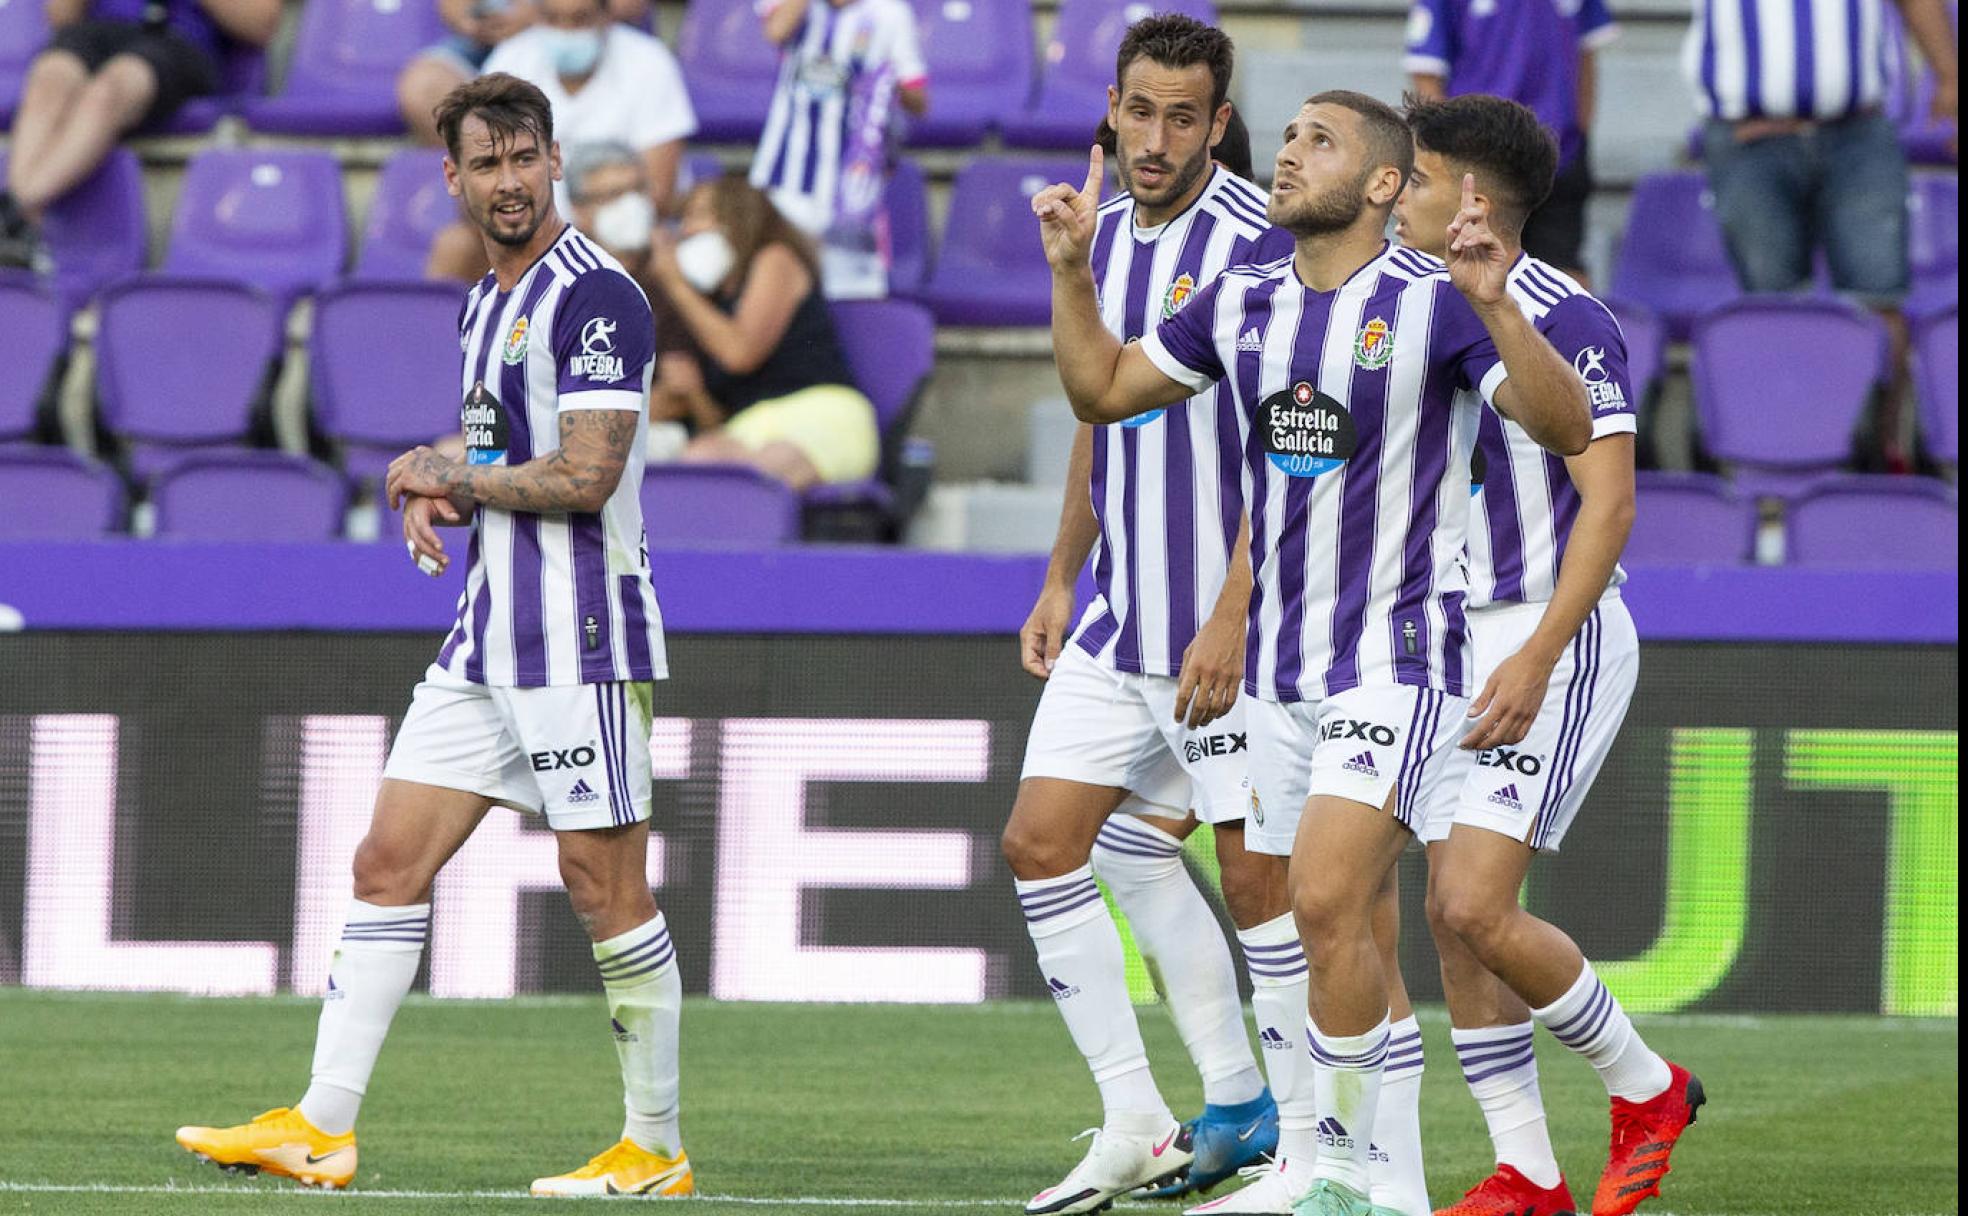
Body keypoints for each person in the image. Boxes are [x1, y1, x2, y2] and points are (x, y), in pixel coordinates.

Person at [1035, 90, 1593, 1216]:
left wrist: (1498, 310)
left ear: (1385, 185)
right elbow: (1099, 390)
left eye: (1319, 142)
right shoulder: (1238, 304)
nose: (1288, 156)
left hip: (1396, 660)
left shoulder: (1433, 304)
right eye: (1287, 138)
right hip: (1279, 678)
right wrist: (1074, 275)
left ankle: (1329, 1168)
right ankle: (1367, 1177)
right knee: (1331, 927)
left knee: (1329, 900)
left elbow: (1566, 427)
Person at [174, 73, 694, 1200]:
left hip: (578, 637)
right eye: (484, 164)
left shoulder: (599, 299)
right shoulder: (484, 301)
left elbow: (589, 475)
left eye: (524, 159)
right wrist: (438, 480)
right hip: (485, 639)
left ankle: (654, 1145)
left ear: (554, 160)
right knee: (385, 861)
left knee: (604, 888)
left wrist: (451, 472)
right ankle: (320, 1126)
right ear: (450, 177)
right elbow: (506, 451)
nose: (507, 182)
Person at [1004, 23, 1302, 1215]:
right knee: (1046, 845)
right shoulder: (1098, 230)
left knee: (1258, 883)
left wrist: (1230, 610)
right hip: (1122, 616)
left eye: (1186, 117)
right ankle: (1151, 1111)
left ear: (1219, 124)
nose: (1159, 138)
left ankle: (1301, 1140)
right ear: (1114, 110)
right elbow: (1095, 406)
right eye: (1141, 111)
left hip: (1233, 629)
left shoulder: (1261, 249)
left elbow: (1289, 447)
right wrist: (1059, 574)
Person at [1392, 94, 1702, 1216]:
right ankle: (1527, 1170)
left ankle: (1647, 1086)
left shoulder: (1570, 319)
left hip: (1549, 633)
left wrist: (1535, 658)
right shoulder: (1415, 304)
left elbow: (1609, 509)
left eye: (1417, 179)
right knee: (1447, 912)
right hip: (1453, 638)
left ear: (1473, 200)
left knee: (1475, 905)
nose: (1399, 195)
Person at [1687, 0, 1957, 470]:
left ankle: (1879, 454)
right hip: (1748, 136)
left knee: (1878, 296)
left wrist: (1949, 74)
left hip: (1859, 131)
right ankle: (1779, 451)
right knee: (1768, 307)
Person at [424, 0, 695, 283]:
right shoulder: (512, 58)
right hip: (526, 229)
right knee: (456, 245)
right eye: (553, 19)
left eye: (580, 19)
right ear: (535, 15)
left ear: (606, 15)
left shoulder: (649, 62)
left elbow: (659, 194)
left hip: (619, 232)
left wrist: (584, 231)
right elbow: (480, 172)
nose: (566, 31)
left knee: (629, 242)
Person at [0, 0, 280, 268]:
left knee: (110, 90)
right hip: (99, 32)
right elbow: (61, 17)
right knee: (49, 78)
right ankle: (16, 212)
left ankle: (16, 209)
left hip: (178, 42)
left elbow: (261, 24)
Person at [643, 174, 879, 490]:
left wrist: (674, 282)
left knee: (761, 474)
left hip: (819, 416)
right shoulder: (703, 305)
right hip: (745, 429)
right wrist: (694, 391)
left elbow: (740, 354)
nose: (686, 232)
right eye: (682, 221)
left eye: (698, 217)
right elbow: (715, 420)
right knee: (698, 463)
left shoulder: (776, 258)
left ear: (739, 217)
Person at [1402, 0, 1615, 285]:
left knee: (1562, 269)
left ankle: (1567, 331)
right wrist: (1449, 156)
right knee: (1466, 262)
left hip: (1561, 150)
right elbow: (1427, 70)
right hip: (1477, 160)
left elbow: (1586, 52)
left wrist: (1580, 127)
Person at [752, 0, 929, 299]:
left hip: (852, 190)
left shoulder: (890, 12)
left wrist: (882, 86)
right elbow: (777, 30)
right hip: (785, 180)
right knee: (777, 293)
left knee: (850, 300)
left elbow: (919, 100)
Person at [563, 140, 700, 461]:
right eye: (612, 196)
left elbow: (678, 394)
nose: (630, 205)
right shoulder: (561, 279)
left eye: (636, 191)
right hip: (564, 432)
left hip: (649, 434)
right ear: (581, 211)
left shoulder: (674, 277)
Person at [395, 0, 650, 148]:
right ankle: (485, 184)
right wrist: (472, 20)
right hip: (485, 43)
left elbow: (631, 4)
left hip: (581, 29)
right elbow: (453, 7)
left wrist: (540, 12)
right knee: (423, 87)